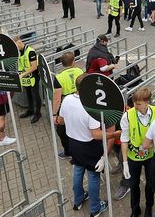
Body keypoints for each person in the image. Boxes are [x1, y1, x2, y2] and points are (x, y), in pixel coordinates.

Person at [58, 73, 120, 217]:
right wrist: (114, 134)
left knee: (78, 170)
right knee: (93, 176)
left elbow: (60, 120)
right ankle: (95, 208)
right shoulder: (90, 107)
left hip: (73, 142)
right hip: (89, 146)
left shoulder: (67, 99)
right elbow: (96, 135)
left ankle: (78, 200)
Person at [120, 88, 155, 217]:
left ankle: (149, 207)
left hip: (150, 156)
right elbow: (124, 139)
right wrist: (125, 162)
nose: (135, 106)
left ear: (147, 102)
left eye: (138, 104)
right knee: (134, 185)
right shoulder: (127, 115)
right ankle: (135, 209)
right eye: (134, 103)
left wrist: (151, 146)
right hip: (133, 157)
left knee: (150, 184)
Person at [52, 51, 83, 159]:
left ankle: (68, 152)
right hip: (81, 103)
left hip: (66, 105)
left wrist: (54, 114)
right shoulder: (80, 71)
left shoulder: (59, 77)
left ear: (62, 63)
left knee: (61, 130)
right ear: (73, 61)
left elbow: (56, 98)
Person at [15, 37, 41, 123]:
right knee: (28, 94)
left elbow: (34, 66)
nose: (16, 48)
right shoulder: (19, 52)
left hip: (33, 77)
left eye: (16, 45)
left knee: (35, 95)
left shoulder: (30, 51)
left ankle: (38, 113)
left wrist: (22, 74)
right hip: (25, 78)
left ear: (19, 42)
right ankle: (30, 110)